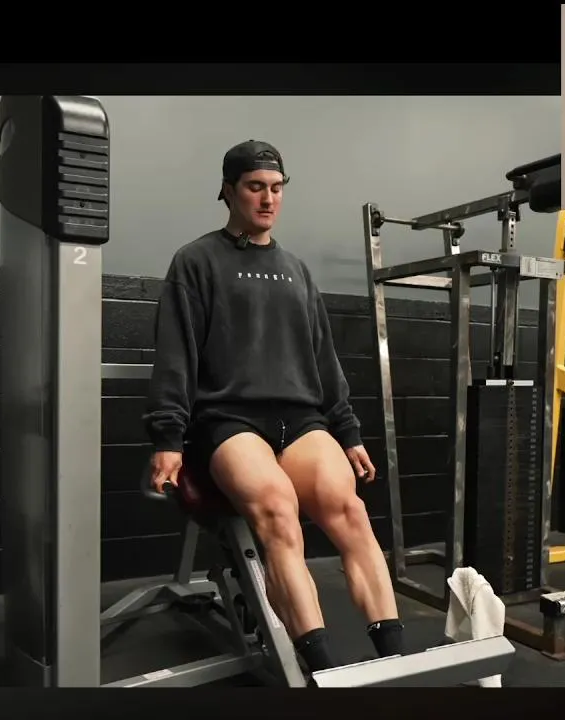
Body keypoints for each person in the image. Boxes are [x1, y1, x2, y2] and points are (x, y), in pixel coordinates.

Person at [142, 139, 404, 677]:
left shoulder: (296, 270)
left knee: (349, 510)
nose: (268, 199)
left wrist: (348, 432)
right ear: (228, 190)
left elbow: (324, 360)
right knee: (279, 511)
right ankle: (321, 669)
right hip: (228, 419)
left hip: (300, 419)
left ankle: (395, 661)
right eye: (255, 187)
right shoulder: (195, 261)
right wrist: (168, 438)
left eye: (277, 188)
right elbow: (176, 355)